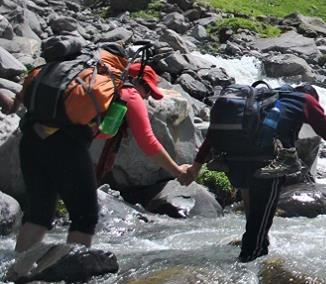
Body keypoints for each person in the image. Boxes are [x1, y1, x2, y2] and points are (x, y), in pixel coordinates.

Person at [9, 60, 193, 269]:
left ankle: (14, 272)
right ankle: (73, 275)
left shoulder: (75, 81)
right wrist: (178, 171)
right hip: (66, 146)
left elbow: (22, 98)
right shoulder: (128, 93)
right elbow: (148, 142)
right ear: (135, 80)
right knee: (85, 217)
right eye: (148, 90)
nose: (146, 97)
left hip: (31, 140)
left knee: (38, 215)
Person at [189, 84, 326, 262]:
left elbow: (211, 137)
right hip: (267, 165)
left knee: (255, 222)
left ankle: (253, 252)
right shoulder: (306, 101)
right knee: (258, 232)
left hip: (234, 160)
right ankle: (247, 266)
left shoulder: (267, 99)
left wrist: (195, 166)